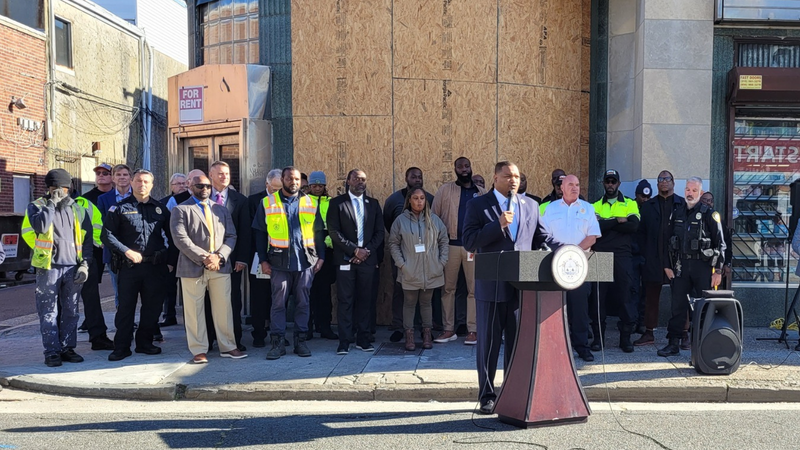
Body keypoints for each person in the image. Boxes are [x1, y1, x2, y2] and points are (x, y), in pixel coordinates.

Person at [462, 161, 547, 414]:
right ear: (495, 177)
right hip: (492, 285)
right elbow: (469, 241)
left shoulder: (531, 205)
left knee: (517, 343)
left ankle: (512, 393)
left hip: (521, 287)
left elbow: (540, 238)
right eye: (508, 176)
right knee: (489, 344)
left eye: (517, 177)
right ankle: (487, 395)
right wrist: (497, 224)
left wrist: (561, 251)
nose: (513, 181)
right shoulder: (477, 205)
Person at [170, 174, 247, 363]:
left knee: (224, 309)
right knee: (194, 311)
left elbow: (231, 236)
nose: (204, 189)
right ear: (190, 186)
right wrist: (206, 257)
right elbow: (180, 239)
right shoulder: (180, 209)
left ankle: (228, 346)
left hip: (219, 266)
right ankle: (198, 350)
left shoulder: (221, 209)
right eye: (199, 185)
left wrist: (219, 256)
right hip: (192, 267)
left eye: (207, 186)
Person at [21, 168, 93, 367]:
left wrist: (85, 265)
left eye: (63, 188)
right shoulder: (36, 207)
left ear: (69, 188)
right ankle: (51, 351)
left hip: (72, 267)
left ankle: (67, 348)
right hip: (48, 267)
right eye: (55, 189)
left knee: (71, 310)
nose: (60, 192)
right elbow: (41, 227)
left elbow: (86, 240)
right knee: (48, 311)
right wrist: (51, 204)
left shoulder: (78, 209)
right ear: (49, 189)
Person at [252, 167, 326, 360]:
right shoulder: (267, 202)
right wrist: (263, 260)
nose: (294, 182)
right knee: (278, 303)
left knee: (303, 302)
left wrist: (321, 257)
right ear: (283, 179)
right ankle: (277, 343)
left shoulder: (310, 202)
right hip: (278, 262)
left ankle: (300, 341)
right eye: (289, 179)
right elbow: (260, 234)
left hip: (306, 261)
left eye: (297, 179)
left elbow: (319, 232)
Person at [102, 170, 175, 361]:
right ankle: (122, 347)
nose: (142, 184)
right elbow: (107, 235)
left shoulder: (160, 209)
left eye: (146, 182)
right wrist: (126, 251)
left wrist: (170, 262)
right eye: (139, 181)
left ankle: (145, 343)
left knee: (152, 308)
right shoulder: (119, 208)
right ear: (132, 183)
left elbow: (172, 237)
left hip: (155, 267)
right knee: (126, 308)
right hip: (129, 267)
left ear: (152, 185)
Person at [658, 177, 726, 357]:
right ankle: (673, 344)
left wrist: (718, 271)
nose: (690, 193)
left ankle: (705, 346)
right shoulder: (677, 213)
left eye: (694, 190)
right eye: (688, 189)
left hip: (703, 267)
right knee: (677, 306)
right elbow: (667, 240)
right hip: (681, 265)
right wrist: (667, 266)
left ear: (700, 193)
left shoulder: (710, 214)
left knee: (704, 307)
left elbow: (721, 244)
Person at [540, 174, 601, 362]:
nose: (575, 188)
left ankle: (582, 347)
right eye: (570, 185)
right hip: (555, 265)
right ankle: (556, 347)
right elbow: (544, 236)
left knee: (580, 309)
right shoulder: (550, 209)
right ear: (562, 188)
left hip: (579, 265)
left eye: (577, 185)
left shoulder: (588, 208)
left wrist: (572, 252)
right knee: (555, 308)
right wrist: (562, 253)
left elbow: (592, 236)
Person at [328, 169, 384, 354]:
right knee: (345, 300)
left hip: (367, 260)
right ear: (348, 181)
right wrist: (354, 250)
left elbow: (379, 232)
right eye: (357, 179)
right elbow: (334, 231)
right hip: (345, 259)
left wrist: (365, 252)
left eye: (363, 179)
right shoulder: (337, 203)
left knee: (365, 300)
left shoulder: (373, 204)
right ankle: (344, 341)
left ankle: (363, 340)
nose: (361, 182)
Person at [431, 157, 487, 345]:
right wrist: (438, 244)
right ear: (455, 169)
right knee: (448, 289)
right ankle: (448, 330)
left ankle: (473, 330)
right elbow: (433, 218)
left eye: (467, 166)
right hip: (450, 245)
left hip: (473, 247)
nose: (464, 169)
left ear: (471, 168)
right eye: (460, 166)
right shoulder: (445, 190)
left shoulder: (481, 193)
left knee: (473, 289)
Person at [388, 188, 449, 351]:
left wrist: (441, 262)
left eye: (422, 198)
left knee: (426, 303)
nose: (419, 201)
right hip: (410, 270)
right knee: (409, 303)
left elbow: (444, 240)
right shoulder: (400, 221)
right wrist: (402, 264)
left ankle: (427, 334)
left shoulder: (434, 220)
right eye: (415, 198)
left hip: (430, 270)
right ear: (409, 200)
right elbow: (393, 243)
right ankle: (409, 335)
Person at [634, 170, 686, 347]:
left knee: (680, 296)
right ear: (657, 184)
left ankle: (683, 334)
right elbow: (641, 233)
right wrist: (646, 253)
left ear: (673, 182)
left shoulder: (682, 204)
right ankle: (649, 332)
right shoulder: (648, 206)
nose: (664, 181)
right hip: (653, 258)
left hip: (676, 259)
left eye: (667, 179)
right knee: (650, 297)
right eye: (660, 179)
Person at [590, 169, 640, 353]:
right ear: (603, 183)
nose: (610, 184)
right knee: (598, 298)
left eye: (613, 181)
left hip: (622, 255)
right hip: (600, 254)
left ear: (618, 183)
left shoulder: (629, 203)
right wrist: (617, 221)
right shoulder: (594, 205)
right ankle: (598, 339)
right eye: (607, 181)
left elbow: (633, 226)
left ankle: (625, 339)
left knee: (625, 296)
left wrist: (606, 222)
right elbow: (595, 228)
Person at [383, 167, 434, 341]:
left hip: (425, 256)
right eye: (413, 177)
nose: (417, 179)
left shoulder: (430, 199)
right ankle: (400, 326)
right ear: (406, 178)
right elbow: (388, 222)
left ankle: (424, 328)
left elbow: (436, 227)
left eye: (420, 177)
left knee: (425, 291)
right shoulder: (394, 200)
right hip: (403, 255)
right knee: (401, 290)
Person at [207, 161, 251, 352]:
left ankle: (234, 340)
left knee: (232, 300)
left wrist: (242, 258)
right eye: (220, 173)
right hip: (206, 260)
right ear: (211, 175)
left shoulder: (240, 200)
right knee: (207, 301)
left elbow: (245, 232)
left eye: (227, 173)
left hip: (232, 261)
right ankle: (208, 339)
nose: (224, 176)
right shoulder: (202, 197)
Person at [248, 169, 283, 347]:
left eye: (280, 189)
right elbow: (251, 230)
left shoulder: (287, 200)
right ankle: (259, 334)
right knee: (259, 297)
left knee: (279, 297)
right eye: (274, 189)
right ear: (266, 184)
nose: (277, 193)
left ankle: (278, 333)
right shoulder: (254, 201)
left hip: (281, 256)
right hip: (259, 256)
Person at [307, 170, 339, 340]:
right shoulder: (303, 201)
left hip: (327, 251)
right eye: (314, 185)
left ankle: (325, 326)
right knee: (307, 291)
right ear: (309, 186)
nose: (317, 188)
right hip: (308, 250)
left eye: (320, 185)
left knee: (324, 291)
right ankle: (307, 328)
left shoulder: (331, 202)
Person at [97, 164, 133, 308]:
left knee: (135, 289)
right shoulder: (104, 199)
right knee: (119, 290)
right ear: (113, 178)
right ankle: (121, 317)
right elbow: (101, 223)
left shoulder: (138, 196)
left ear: (130, 178)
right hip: (113, 252)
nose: (122, 178)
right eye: (118, 175)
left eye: (125, 174)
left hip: (135, 249)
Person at [632, 179, 653, 335]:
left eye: (647, 197)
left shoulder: (652, 209)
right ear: (636, 195)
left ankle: (642, 322)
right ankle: (632, 321)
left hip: (647, 256)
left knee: (646, 291)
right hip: (632, 255)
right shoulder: (630, 207)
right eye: (642, 196)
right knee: (632, 290)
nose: (645, 200)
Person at [699, 192, 732, 288]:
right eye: (705, 200)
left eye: (710, 201)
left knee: (711, 291)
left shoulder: (717, 219)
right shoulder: (694, 217)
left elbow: (725, 242)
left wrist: (726, 263)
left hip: (713, 263)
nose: (707, 203)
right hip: (698, 264)